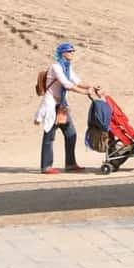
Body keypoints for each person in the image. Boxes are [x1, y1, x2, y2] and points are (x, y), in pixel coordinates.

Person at [37, 43, 101, 174]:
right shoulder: (56, 67)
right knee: (49, 136)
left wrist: (92, 87)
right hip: (52, 105)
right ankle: (46, 166)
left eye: (73, 51)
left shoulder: (67, 67)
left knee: (71, 134)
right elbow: (66, 84)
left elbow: (76, 81)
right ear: (62, 53)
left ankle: (70, 164)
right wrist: (84, 93)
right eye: (69, 51)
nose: (72, 53)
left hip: (61, 106)